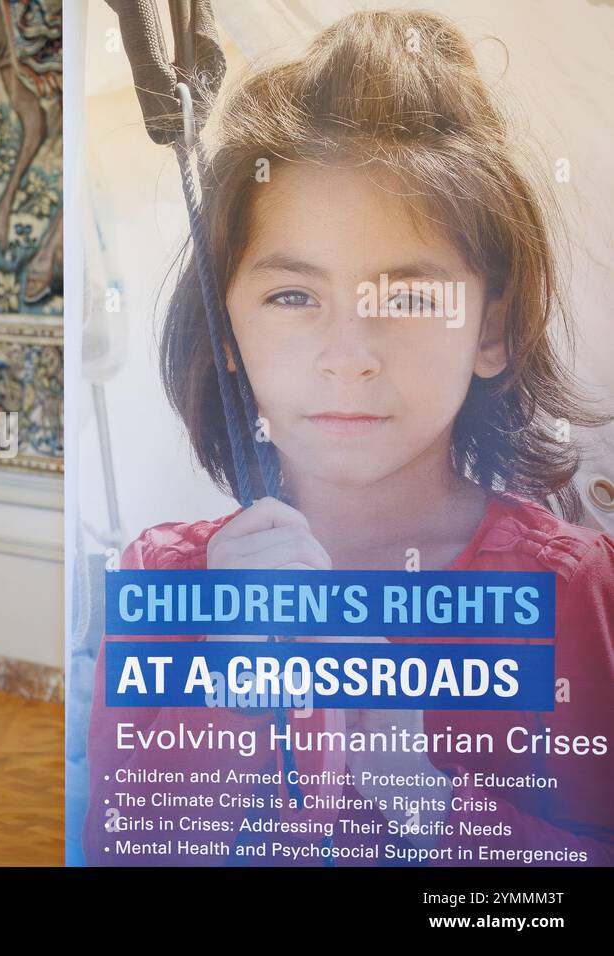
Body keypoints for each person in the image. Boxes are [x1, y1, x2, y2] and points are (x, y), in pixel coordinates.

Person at [85, 9, 614, 865]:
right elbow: (121, 848)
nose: (347, 357)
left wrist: (421, 789)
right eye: (294, 297)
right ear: (227, 333)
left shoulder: (575, 590)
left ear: (493, 329)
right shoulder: (165, 578)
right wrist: (229, 684)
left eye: (408, 297)